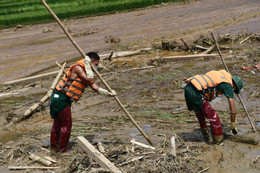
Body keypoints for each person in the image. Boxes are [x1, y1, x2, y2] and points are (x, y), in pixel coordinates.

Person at [50, 52, 116, 152]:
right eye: (96, 65)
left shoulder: (84, 70)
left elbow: (94, 87)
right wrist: (89, 67)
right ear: (92, 61)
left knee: (58, 123)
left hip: (61, 97)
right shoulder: (78, 68)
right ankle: (62, 150)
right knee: (66, 125)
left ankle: (54, 148)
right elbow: (90, 80)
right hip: (60, 97)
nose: (96, 67)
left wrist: (108, 93)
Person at [184, 70, 243, 144]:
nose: (232, 91)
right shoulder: (227, 85)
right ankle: (218, 142)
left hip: (189, 88)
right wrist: (233, 123)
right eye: (234, 90)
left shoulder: (221, 75)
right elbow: (233, 110)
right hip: (197, 92)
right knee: (214, 118)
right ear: (234, 86)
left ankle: (206, 138)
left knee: (200, 114)